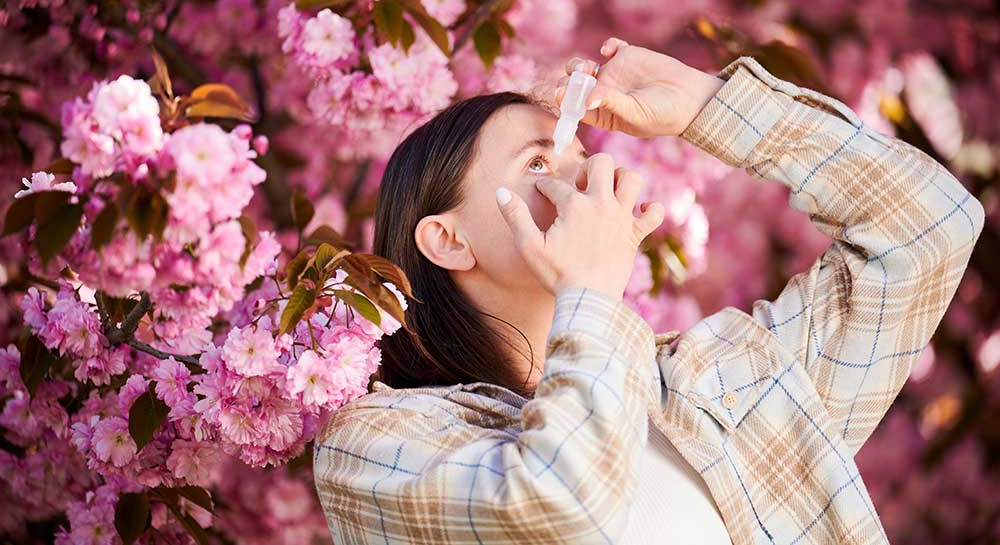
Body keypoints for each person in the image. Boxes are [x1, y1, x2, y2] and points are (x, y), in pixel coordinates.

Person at [312, 38, 985, 544]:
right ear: (448, 240)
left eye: (581, 154)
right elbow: (562, 508)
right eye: (538, 162)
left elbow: (930, 227)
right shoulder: (377, 442)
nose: (588, 175)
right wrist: (591, 297)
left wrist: (706, 106)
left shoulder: (719, 388)